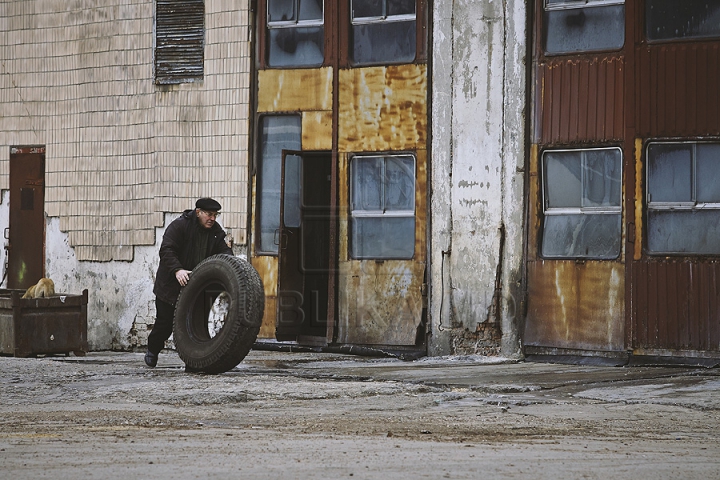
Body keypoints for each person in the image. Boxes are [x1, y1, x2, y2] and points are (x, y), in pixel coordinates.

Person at [144, 198, 233, 368]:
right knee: (165, 324)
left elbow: (225, 252)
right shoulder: (179, 226)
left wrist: (233, 266)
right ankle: (152, 350)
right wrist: (177, 270)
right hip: (170, 285)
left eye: (215, 215)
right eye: (209, 214)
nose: (212, 218)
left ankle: (193, 361)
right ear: (198, 212)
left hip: (196, 289)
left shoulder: (215, 232)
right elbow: (167, 250)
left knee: (195, 327)